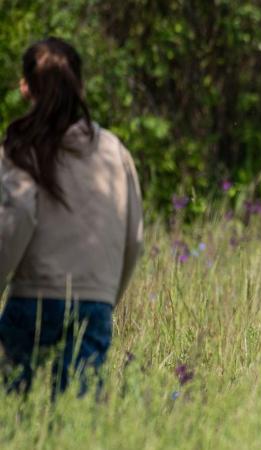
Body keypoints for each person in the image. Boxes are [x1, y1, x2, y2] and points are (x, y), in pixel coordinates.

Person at [0, 37, 143, 395]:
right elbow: (133, 238)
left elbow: (15, 219)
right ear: (80, 85)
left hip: (32, 299)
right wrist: (106, 296)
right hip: (94, 304)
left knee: (17, 413)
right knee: (77, 413)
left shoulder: (20, 148)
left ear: (25, 88)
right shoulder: (113, 151)